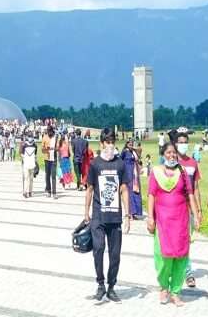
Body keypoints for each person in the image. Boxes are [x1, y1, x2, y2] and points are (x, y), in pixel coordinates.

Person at [147, 142, 201, 306]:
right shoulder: (155, 172)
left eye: (174, 153)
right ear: (163, 154)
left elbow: (190, 194)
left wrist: (196, 214)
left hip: (181, 220)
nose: (172, 155)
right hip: (163, 221)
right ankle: (164, 287)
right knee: (163, 256)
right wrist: (150, 217)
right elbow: (151, 195)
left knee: (181, 256)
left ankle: (176, 291)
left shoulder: (182, 172)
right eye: (168, 153)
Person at [84, 128, 131, 302]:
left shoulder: (120, 164)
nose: (110, 145)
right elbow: (89, 189)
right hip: (98, 215)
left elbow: (124, 189)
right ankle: (100, 284)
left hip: (115, 217)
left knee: (115, 254)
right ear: (102, 143)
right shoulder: (95, 164)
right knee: (98, 249)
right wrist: (86, 212)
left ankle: (111, 286)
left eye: (113, 142)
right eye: (108, 142)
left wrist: (128, 215)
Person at [172, 131, 202, 287]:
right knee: (176, 241)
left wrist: (199, 210)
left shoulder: (192, 163)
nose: (183, 145)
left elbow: (196, 188)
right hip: (174, 209)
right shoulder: (171, 161)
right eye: (180, 142)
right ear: (175, 144)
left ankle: (187, 272)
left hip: (189, 208)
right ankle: (182, 270)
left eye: (185, 142)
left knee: (186, 241)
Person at [121, 140, 143, 219]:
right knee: (129, 192)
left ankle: (135, 213)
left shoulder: (134, 152)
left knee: (135, 192)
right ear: (126, 144)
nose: (130, 145)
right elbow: (120, 161)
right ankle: (130, 213)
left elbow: (140, 155)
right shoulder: (124, 152)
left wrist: (134, 149)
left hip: (135, 175)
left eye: (132, 144)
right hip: (128, 174)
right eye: (129, 144)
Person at [42, 126, 58, 199]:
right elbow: (42, 149)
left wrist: (52, 148)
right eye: (47, 132)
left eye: (49, 132)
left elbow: (58, 148)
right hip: (47, 158)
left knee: (53, 176)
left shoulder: (56, 137)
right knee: (47, 175)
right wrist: (45, 149)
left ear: (52, 131)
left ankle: (54, 193)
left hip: (54, 159)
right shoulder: (45, 137)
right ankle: (48, 191)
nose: (48, 133)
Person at [21, 133, 37, 197]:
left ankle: (25, 191)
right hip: (32, 163)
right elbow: (35, 155)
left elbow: (22, 154)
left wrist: (24, 159)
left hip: (26, 163)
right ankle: (30, 191)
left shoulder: (24, 145)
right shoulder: (35, 145)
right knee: (31, 178)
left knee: (26, 178)